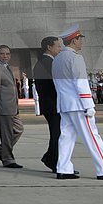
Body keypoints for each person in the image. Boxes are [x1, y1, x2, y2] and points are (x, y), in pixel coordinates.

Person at [53, 26, 103, 180]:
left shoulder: (57, 59)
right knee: (92, 136)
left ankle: (63, 168)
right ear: (74, 40)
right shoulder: (75, 58)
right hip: (78, 104)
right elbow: (80, 83)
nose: (81, 42)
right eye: (80, 39)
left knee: (66, 137)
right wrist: (88, 105)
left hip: (64, 103)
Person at [0, 44, 23, 168]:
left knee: (18, 129)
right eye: (2, 53)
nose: (5, 56)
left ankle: (0, 151)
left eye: (7, 54)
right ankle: (8, 159)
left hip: (12, 107)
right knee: (7, 134)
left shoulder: (6, 67)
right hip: (4, 107)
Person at [34, 36, 63, 173]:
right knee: (57, 134)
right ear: (49, 47)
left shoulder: (43, 62)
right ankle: (53, 161)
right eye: (58, 46)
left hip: (49, 105)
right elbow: (55, 86)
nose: (60, 49)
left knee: (57, 134)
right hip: (53, 105)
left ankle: (51, 158)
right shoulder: (48, 63)